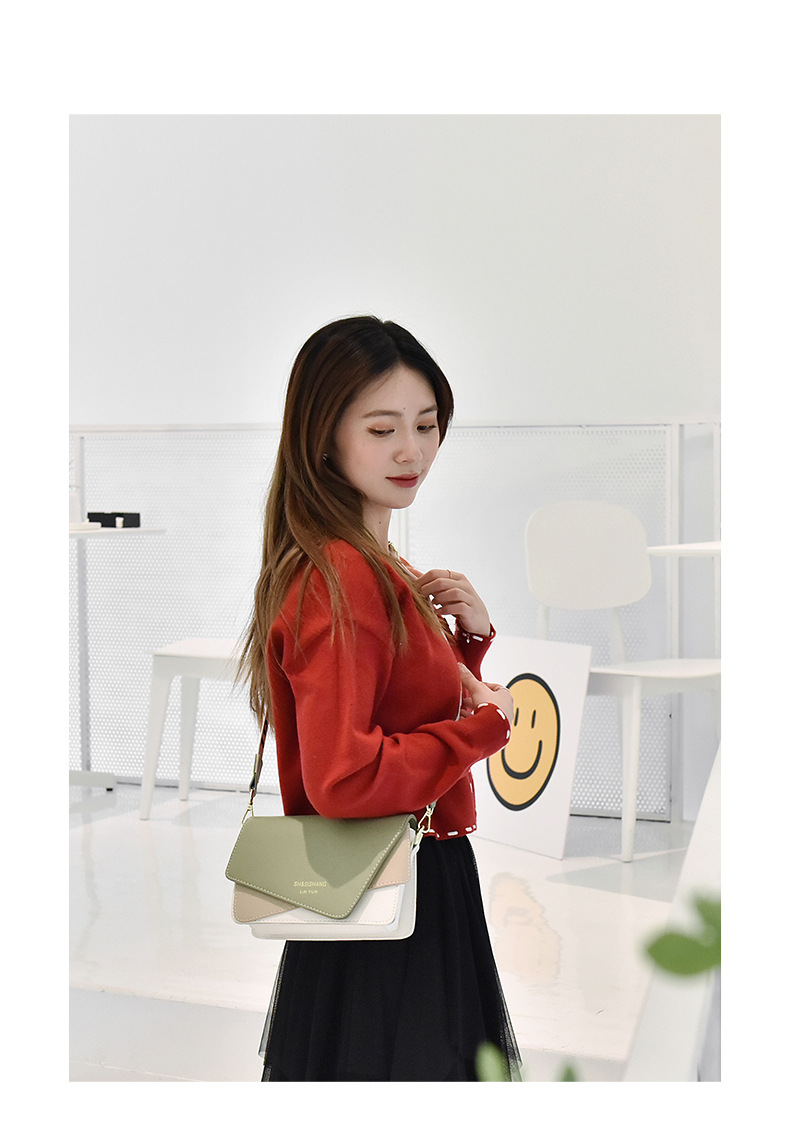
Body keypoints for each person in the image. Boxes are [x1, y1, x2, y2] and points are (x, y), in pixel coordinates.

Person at [239, 315, 521, 1081]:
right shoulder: (343, 574)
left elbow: (393, 706)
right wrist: (484, 728)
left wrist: (467, 647)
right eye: (382, 428)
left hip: (398, 882)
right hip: (392, 895)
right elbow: (347, 778)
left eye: (427, 425)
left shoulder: (371, 560)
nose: (411, 452)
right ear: (323, 437)